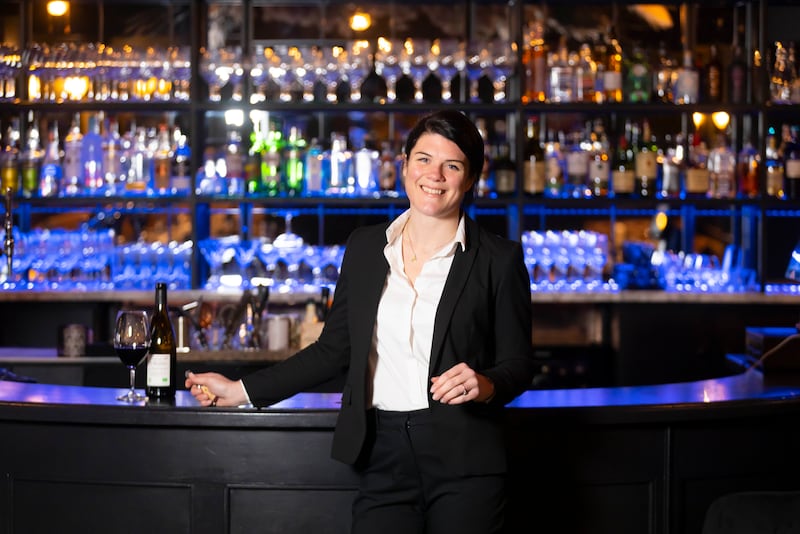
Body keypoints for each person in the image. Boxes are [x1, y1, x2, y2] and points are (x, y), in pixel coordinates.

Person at [186, 109, 535, 533]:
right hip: (381, 452)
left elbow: (518, 365)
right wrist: (242, 391)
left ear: (471, 178)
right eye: (424, 159)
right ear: (404, 166)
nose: (435, 175)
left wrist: (485, 384)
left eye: (453, 165)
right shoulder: (366, 247)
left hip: (465, 458)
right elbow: (334, 350)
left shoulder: (499, 259)